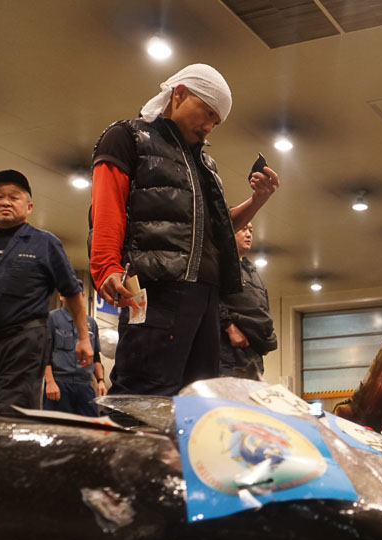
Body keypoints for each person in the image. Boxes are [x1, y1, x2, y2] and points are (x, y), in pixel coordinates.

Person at [89, 63, 280, 396]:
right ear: (179, 94)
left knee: (198, 399)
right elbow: (108, 207)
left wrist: (257, 199)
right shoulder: (127, 136)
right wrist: (105, 266)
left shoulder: (206, 163)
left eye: (216, 122)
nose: (209, 127)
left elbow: (218, 231)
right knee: (143, 395)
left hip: (205, 296)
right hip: (154, 290)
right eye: (206, 113)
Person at [0, 170, 91, 412]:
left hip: (24, 341)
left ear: (29, 206)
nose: (6, 202)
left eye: (14, 196)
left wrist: (83, 338)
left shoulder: (44, 243)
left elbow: (71, 291)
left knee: (12, 413)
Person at [219, 223, 277, 379]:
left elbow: (263, 306)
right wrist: (229, 327)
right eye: (243, 229)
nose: (249, 234)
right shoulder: (220, 264)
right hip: (230, 351)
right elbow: (212, 299)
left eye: (251, 230)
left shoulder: (251, 269)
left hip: (254, 352)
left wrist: (266, 339)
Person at [43, 292, 105, 416]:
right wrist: (49, 382)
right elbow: (44, 354)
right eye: (68, 294)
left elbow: (96, 355)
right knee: (59, 429)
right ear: (61, 296)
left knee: (90, 428)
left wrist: (100, 380)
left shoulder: (91, 323)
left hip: (84, 385)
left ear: (82, 295)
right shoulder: (51, 318)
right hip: (60, 383)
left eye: (76, 294)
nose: (72, 298)